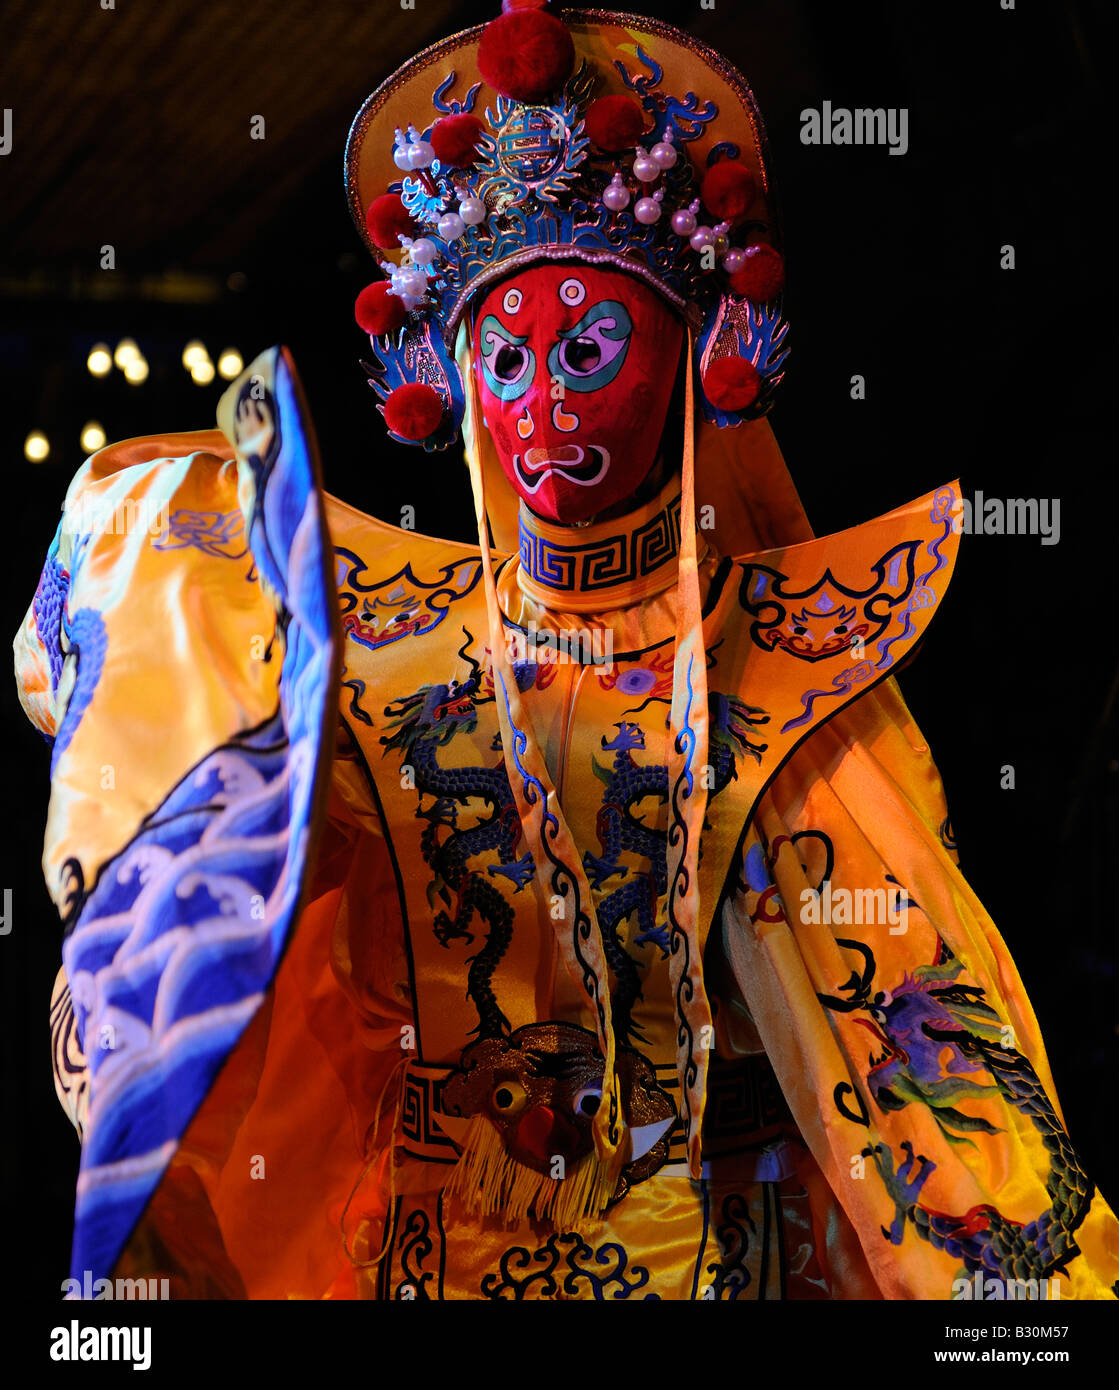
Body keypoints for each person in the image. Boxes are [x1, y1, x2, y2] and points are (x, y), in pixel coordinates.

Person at [17, 3, 1119, 1300]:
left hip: (709, 1252)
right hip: (427, 1257)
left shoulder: (790, 659)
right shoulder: (364, 651)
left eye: (590, 346)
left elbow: (903, 1025)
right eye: (506, 353)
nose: (544, 404)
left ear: (701, 353)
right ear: (455, 375)